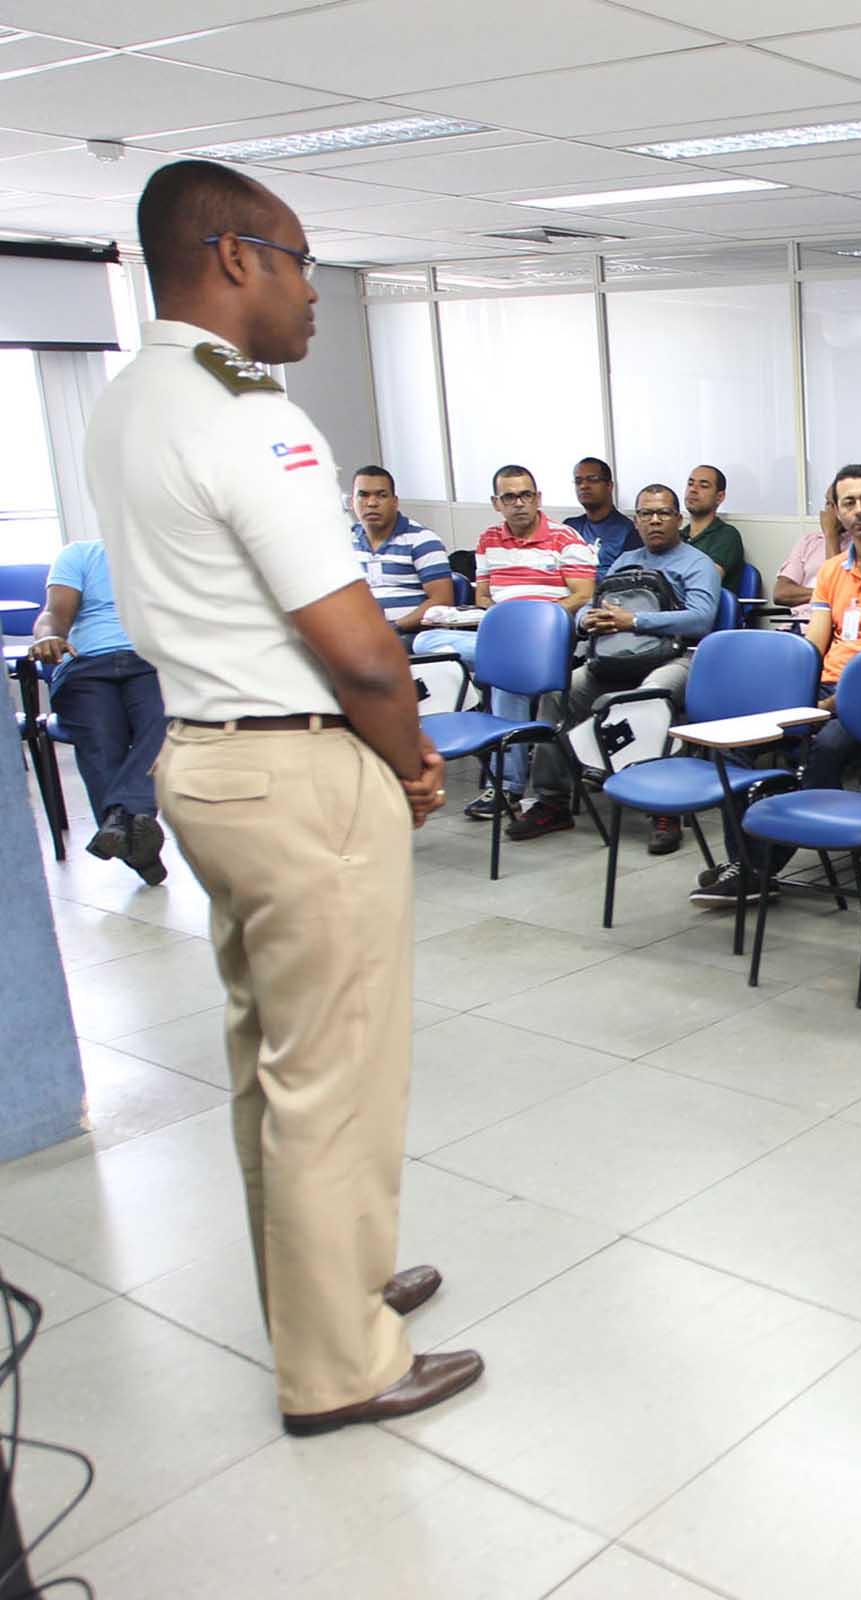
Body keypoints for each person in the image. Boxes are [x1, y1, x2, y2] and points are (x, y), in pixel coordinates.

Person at [87, 158, 477, 1433]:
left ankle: (329, 1289)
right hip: (300, 764)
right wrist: (415, 760)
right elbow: (361, 645)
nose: (318, 289)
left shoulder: (128, 399)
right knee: (339, 1072)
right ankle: (344, 1364)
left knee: (272, 1057)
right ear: (237, 257)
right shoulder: (252, 414)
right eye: (304, 259)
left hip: (204, 756)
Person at [690, 465, 861, 906]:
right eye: (848, 503)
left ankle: (758, 867)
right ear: (837, 512)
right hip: (825, 687)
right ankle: (744, 862)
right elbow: (813, 646)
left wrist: (830, 706)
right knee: (735, 743)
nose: (859, 511)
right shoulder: (831, 570)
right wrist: (789, 698)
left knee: (827, 745)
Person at [513, 484, 721, 848]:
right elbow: (593, 608)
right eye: (645, 514)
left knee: (645, 699)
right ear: (636, 521)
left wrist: (635, 622)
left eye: (663, 513)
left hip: (678, 659)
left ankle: (663, 809)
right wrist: (585, 622)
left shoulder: (697, 563)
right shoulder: (625, 562)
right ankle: (551, 801)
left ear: (678, 519)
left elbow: (702, 620)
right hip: (613, 658)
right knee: (559, 691)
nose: (654, 520)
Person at [414, 466, 596, 820]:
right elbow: (483, 595)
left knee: (505, 675)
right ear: (497, 503)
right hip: (501, 633)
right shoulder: (488, 540)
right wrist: (504, 623)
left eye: (526, 495)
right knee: (425, 641)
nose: (519, 504)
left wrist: (531, 622)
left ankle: (507, 787)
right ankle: (506, 775)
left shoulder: (566, 539)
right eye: (510, 497)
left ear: (538, 498)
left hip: (548, 638)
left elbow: (583, 596)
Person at [28, 539, 171, 884]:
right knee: (100, 736)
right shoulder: (79, 554)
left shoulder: (170, 547)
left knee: (165, 720)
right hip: (85, 664)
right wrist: (47, 637)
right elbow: (54, 614)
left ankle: (120, 824)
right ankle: (136, 838)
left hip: (152, 662)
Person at [348, 464, 451, 633]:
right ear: (352, 502)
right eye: (363, 495)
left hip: (408, 634)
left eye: (381, 495)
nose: (372, 503)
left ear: (394, 502)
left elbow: (442, 601)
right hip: (357, 633)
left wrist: (393, 628)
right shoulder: (343, 543)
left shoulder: (422, 540)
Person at [772, 483, 843, 608]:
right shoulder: (808, 542)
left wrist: (831, 535)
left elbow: (838, 591)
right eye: (827, 503)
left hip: (831, 624)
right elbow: (781, 593)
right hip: (797, 623)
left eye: (835, 505)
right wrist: (823, 594)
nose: (829, 511)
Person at [566, 456, 635, 575]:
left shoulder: (628, 531)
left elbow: (627, 581)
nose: (583, 486)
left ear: (609, 486)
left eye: (592, 479)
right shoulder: (570, 528)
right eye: (578, 481)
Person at [683, 464, 744, 586]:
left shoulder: (726, 536)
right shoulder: (677, 536)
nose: (693, 489)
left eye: (703, 486)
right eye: (690, 484)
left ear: (719, 497)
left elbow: (705, 581)